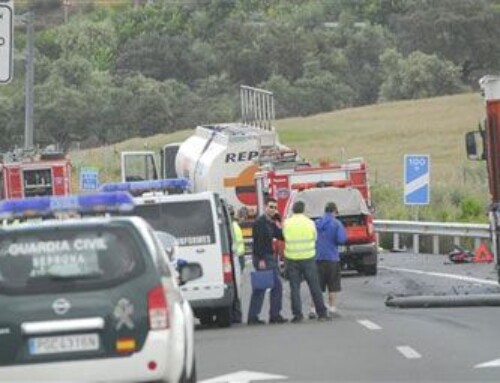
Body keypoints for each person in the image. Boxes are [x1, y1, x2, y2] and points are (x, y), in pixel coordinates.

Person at [283, 200, 330, 322]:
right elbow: (315, 238)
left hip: (292, 258)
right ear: (303, 210)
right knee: (315, 287)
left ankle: (297, 315)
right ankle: (322, 313)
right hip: (308, 258)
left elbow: (284, 237)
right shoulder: (310, 223)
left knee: (294, 288)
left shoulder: (287, 223)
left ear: (293, 210)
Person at [247, 197, 287, 325]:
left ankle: (261, 316)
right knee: (268, 286)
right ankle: (269, 315)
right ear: (265, 207)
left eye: (275, 208)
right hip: (263, 257)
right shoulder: (260, 222)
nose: (273, 210)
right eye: (271, 207)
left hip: (269, 257)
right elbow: (258, 242)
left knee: (266, 286)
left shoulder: (270, 223)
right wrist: (261, 260)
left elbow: (281, 236)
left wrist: (278, 222)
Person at [309, 202, 347, 319]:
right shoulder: (336, 224)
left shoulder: (316, 223)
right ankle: (332, 308)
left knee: (317, 286)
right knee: (333, 285)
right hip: (332, 258)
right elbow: (341, 240)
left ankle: (313, 309)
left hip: (317, 257)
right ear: (334, 211)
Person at [229, 206, 246, 272]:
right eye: (244, 218)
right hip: (237, 254)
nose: (243, 220)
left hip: (239, 253)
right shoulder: (234, 226)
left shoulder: (235, 225)